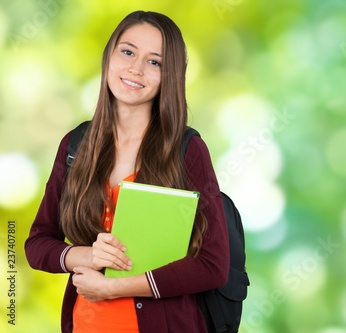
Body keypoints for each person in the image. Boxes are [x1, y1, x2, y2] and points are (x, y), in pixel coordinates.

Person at [25, 11, 229, 333]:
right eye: (128, 52)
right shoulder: (76, 145)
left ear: (169, 75)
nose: (136, 68)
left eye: (154, 62)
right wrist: (87, 255)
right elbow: (37, 244)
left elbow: (213, 266)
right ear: (109, 57)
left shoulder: (186, 150)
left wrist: (113, 288)